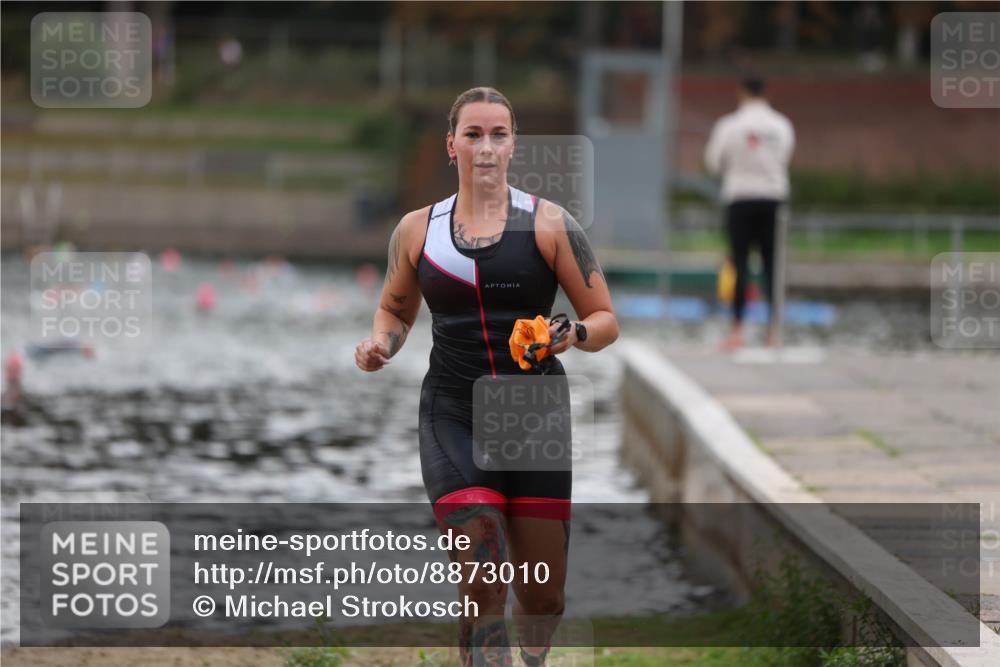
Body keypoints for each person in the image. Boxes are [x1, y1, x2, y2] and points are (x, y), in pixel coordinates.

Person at [355, 86, 618, 667]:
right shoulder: (416, 230)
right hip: (454, 411)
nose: (486, 147)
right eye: (473, 134)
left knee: (543, 596)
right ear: (452, 146)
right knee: (483, 561)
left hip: (535, 415)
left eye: (498, 134)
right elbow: (395, 310)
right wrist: (381, 345)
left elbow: (605, 321)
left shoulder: (550, 224)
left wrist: (570, 333)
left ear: (513, 145)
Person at [704, 75, 795, 350]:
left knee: (740, 264)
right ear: (766, 92)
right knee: (773, 265)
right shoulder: (781, 125)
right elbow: (786, 157)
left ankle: (737, 331)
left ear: (740, 93)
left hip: (740, 197)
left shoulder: (729, 125)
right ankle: (773, 333)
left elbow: (713, 162)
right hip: (773, 199)